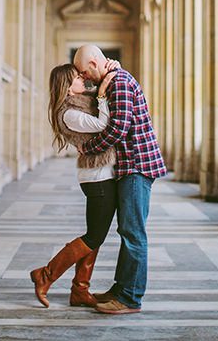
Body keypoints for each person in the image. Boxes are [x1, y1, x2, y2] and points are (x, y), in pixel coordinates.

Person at [73, 44, 167, 315]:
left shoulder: (120, 82)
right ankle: (121, 288)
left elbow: (117, 129)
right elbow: (96, 98)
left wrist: (87, 149)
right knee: (127, 230)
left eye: (83, 72)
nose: (84, 77)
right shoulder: (112, 80)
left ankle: (130, 297)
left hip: (137, 166)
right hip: (130, 166)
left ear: (93, 63)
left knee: (133, 232)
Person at [29, 63, 117, 308]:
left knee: (95, 236)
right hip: (97, 177)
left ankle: (80, 290)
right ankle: (45, 275)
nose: (82, 78)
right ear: (66, 88)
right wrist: (101, 96)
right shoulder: (68, 113)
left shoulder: (83, 101)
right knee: (94, 236)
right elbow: (103, 125)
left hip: (102, 175)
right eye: (76, 77)